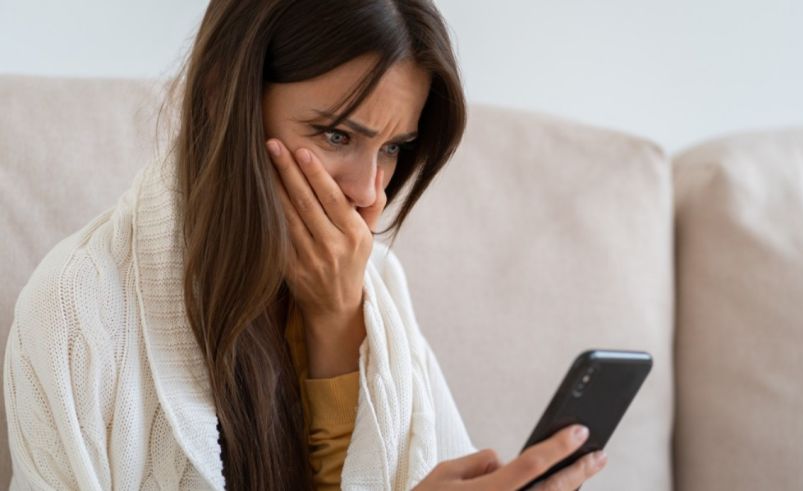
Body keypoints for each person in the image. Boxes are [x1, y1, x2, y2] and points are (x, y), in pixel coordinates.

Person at [3, 0, 608, 489]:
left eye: (394, 148)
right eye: (338, 134)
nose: (370, 194)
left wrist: (339, 319)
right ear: (224, 95)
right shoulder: (75, 310)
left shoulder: (378, 290)